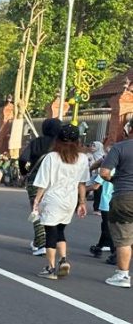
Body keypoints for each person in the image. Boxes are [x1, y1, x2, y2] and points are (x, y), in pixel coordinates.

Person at [31, 124, 89, 280]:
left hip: (52, 199)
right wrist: (82, 203)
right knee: (60, 231)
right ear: (77, 140)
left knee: (50, 233)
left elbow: (43, 182)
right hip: (70, 200)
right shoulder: (82, 158)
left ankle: (50, 268)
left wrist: (36, 200)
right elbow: (82, 183)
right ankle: (63, 259)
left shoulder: (51, 157)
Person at [19, 118, 64, 255]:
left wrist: (24, 172)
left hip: (36, 181)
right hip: (55, 182)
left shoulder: (36, 142)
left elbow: (23, 159)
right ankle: (49, 242)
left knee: (36, 210)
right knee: (51, 212)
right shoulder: (61, 145)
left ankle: (41, 243)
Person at [98, 121, 132, 288]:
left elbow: (104, 172)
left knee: (124, 237)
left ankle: (123, 275)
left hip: (124, 196)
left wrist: (113, 179)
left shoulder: (120, 147)